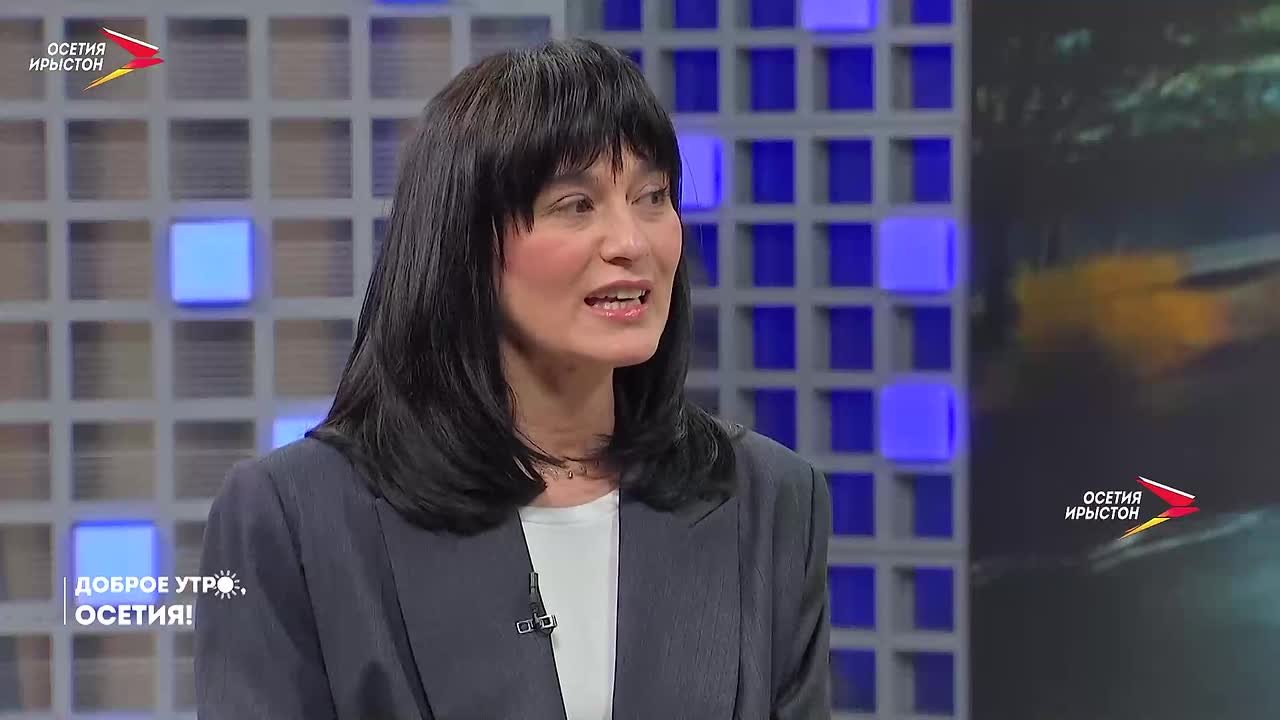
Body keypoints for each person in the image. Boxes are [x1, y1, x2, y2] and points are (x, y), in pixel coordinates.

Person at [193, 38, 831, 720]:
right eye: (576, 204)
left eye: (652, 197)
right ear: (465, 243)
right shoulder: (297, 519)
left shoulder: (768, 499)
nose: (631, 242)